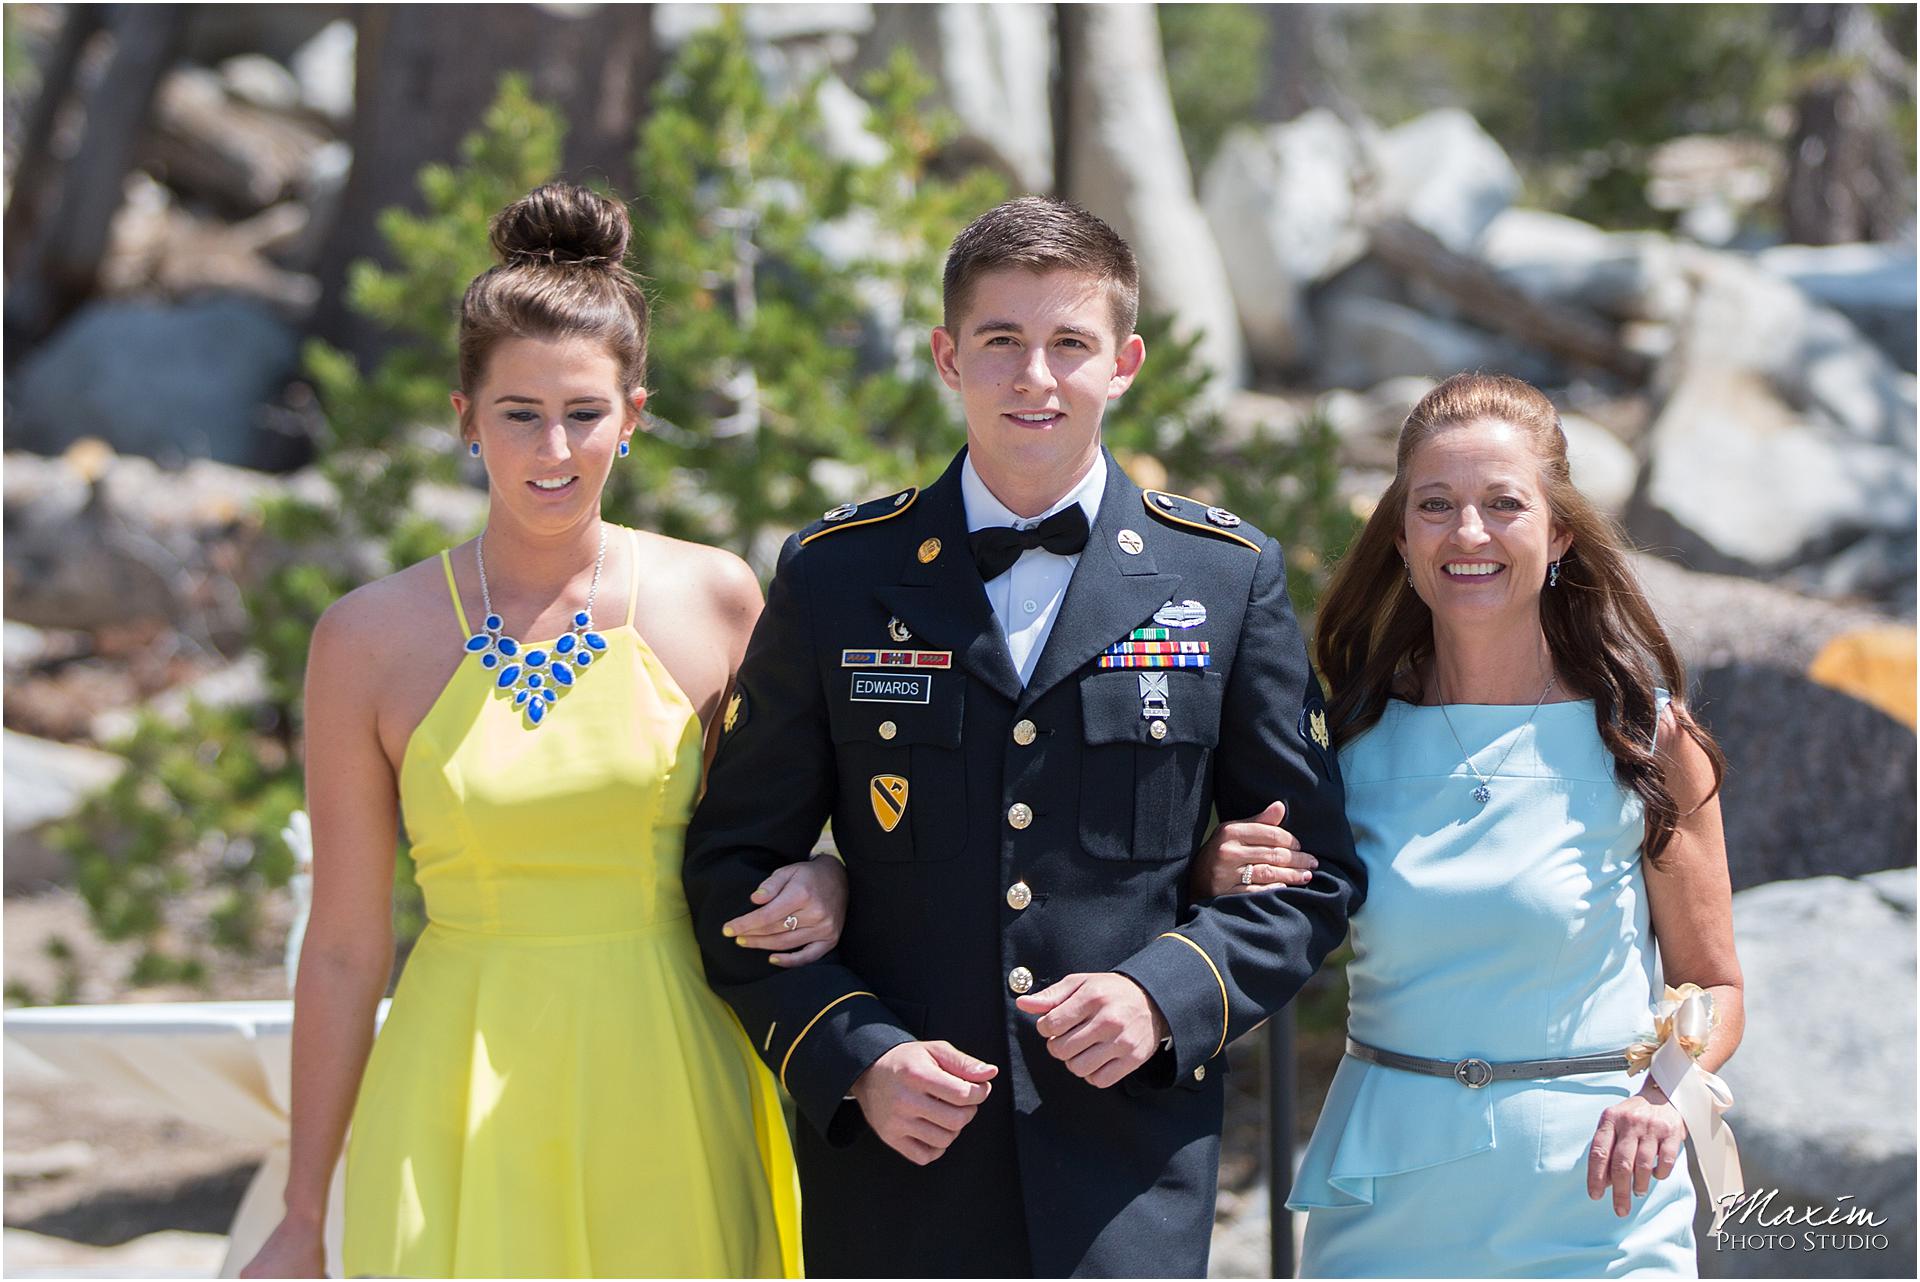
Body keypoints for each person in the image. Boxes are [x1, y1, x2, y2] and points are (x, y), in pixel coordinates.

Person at [680, 196, 1361, 1278]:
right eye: (1001, 341)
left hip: (1126, 1169)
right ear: (949, 356)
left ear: (1126, 360)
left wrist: (1166, 990)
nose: (1035, 377)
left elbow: (1313, 872)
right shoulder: (840, 576)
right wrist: (854, 1054)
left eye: (1070, 344)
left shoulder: (1222, 578)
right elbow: (728, 869)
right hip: (904, 1168)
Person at [241, 183, 850, 1278]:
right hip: (451, 1091)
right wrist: (299, 1213)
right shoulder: (365, 639)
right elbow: (342, 947)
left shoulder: (715, 599)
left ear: (637, 412)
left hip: (673, 1072)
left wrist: (835, 882)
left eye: (585, 412)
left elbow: (798, 844)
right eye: (519, 412)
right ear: (465, 417)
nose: (554, 448)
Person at [1198, 372, 1743, 1276]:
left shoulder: (1646, 737)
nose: (1470, 534)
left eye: (1503, 504)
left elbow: (1714, 983)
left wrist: (1666, 1092)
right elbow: (1274, 909)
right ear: (1404, 538)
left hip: (1600, 1208)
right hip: (1386, 1209)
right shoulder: (1346, 744)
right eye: (1437, 506)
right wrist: (1216, 869)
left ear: (1560, 531)